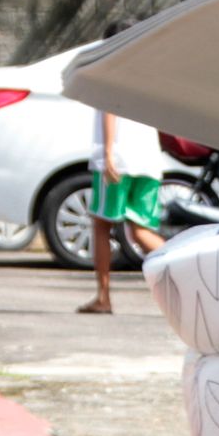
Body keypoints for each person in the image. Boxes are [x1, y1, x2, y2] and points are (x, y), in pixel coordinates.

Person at [78, 34, 167, 315]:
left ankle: (103, 297)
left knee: (101, 225)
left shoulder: (111, 69)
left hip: (118, 161)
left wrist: (107, 153)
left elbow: (110, 111)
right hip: (148, 161)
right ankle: (187, 273)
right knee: (140, 230)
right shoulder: (150, 73)